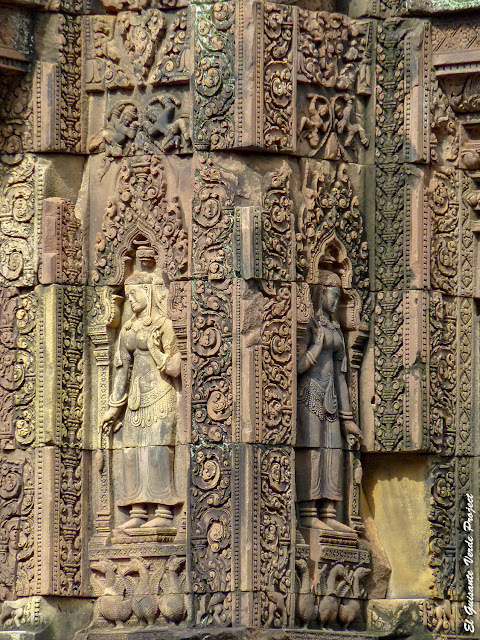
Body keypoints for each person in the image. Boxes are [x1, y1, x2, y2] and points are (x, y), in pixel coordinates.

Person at [102, 270, 182, 529]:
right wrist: (114, 408)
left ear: (148, 292)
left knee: (158, 450)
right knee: (131, 451)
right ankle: (137, 510)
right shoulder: (127, 330)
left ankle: (163, 512)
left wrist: (156, 350)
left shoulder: (164, 325)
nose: (131, 300)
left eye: (135, 294)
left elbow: (175, 367)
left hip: (161, 394)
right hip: (136, 398)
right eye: (127, 296)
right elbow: (121, 371)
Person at [296, 270, 361, 533]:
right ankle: (309, 511)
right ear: (320, 293)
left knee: (332, 452)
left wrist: (348, 419)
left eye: (338, 298)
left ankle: (329, 512)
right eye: (332, 296)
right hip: (309, 393)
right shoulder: (309, 325)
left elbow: (341, 376)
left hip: (331, 397)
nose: (336, 303)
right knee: (312, 449)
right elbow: (295, 367)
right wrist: (314, 349)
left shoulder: (335, 330)